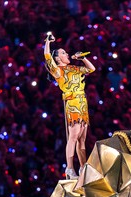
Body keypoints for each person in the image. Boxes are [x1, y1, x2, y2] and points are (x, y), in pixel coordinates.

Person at [44, 34, 95, 179]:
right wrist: (48, 42)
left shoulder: (73, 67)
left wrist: (82, 58)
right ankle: (70, 168)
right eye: (63, 53)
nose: (66, 54)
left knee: (82, 139)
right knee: (73, 136)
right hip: (72, 104)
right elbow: (47, 56)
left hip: (82, 103)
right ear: (58, 58)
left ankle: (83, 167)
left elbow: (91, 69)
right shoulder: (58, 71)